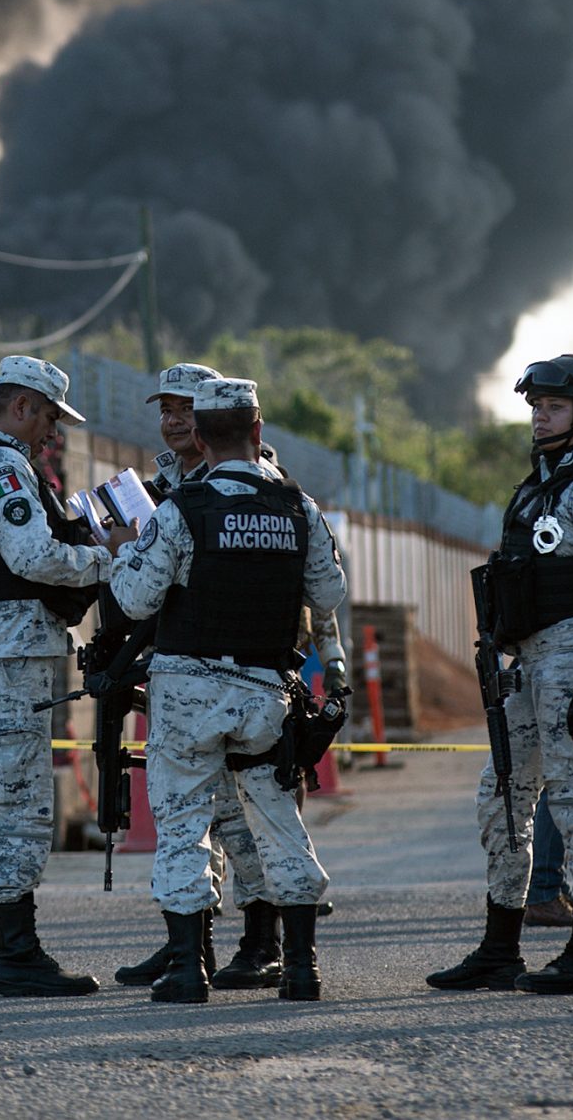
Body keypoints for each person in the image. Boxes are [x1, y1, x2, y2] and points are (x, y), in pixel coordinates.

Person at [112, 375, 349, 1003]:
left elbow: (135, 598)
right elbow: (328, 596)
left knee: (185, 825)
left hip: (187, 690)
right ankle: (300, 968)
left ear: (204, 440)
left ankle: (189, 969)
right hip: (265, 691)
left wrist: (122, 554)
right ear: (259, 432)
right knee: (278, 823)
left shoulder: (181, 509)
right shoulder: (301, 507)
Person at [428, 355, 573, 997]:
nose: (538, 416)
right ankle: (500, 947)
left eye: (552, 406)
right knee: (500, 797)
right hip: (528, 663)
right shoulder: (538, 486)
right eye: (536, 405)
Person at [0, 355, 127, 998]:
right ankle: (17, 954)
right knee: (15, 805)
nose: (53, 435)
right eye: (47, 418)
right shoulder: (3, 466)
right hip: (10, 657)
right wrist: (108, 559)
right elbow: (34, 556)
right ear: (19, 406)